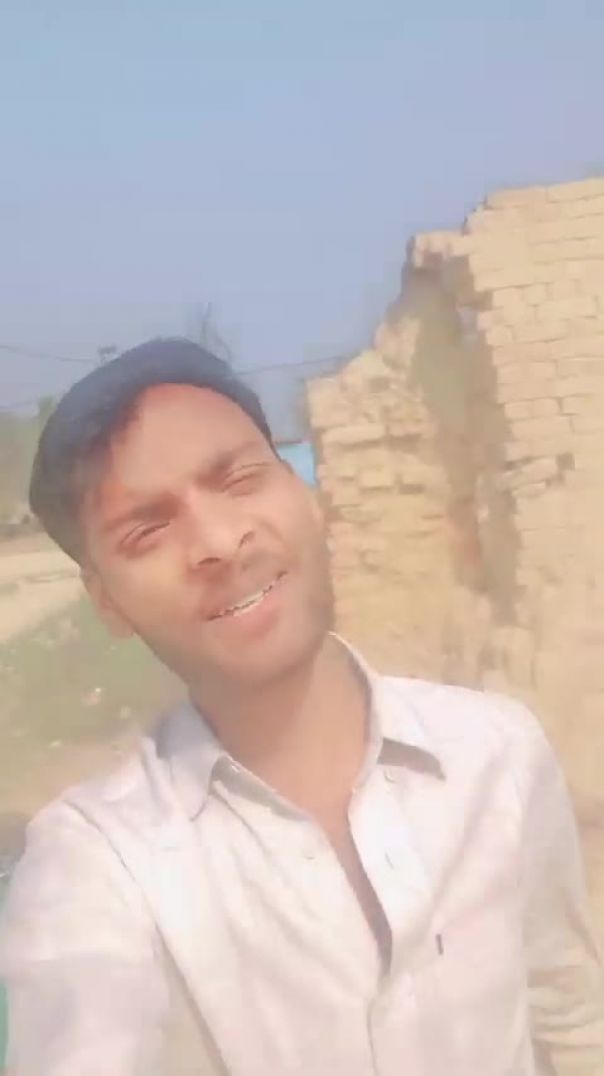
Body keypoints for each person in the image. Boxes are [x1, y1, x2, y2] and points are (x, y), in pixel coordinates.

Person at [0, 337, 602, 1076]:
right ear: (107, 602)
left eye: (239, 479)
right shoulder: (95, 868)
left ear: (306, 492)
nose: (220, 542)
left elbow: (570, 1019)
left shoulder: (497, 754)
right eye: (147, 529)